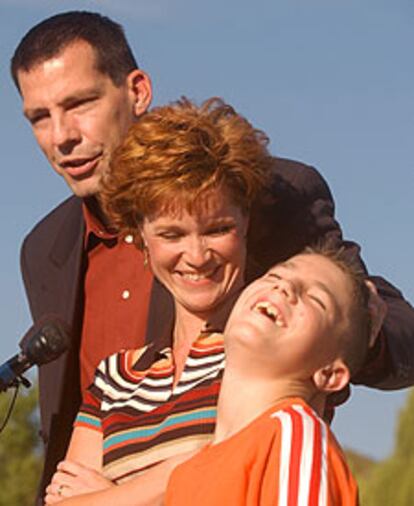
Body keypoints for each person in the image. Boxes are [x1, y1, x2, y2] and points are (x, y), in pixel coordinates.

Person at [10, 8, 414, 504]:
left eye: (81, 104)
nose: (61, 136)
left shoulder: (265, 195)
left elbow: (386, 331)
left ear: (136, 91)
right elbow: (68, 454)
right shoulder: (43, 249)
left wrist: (334, 334)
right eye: (39, 118)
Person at [44, 96, 271, 505]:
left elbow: (233, 475)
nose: (198, 255)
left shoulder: (272, 350)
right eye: (172, 235)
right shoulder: (115, 378)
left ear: (246, 224)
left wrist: (107, 495)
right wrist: (170, 481)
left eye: (217, 229)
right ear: (139, 239)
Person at [165, 247, 371, 505]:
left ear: (329, 374)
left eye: (316, 299)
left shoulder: (294, 435)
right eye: (274, 276)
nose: (285, 287)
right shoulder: (183, 478)